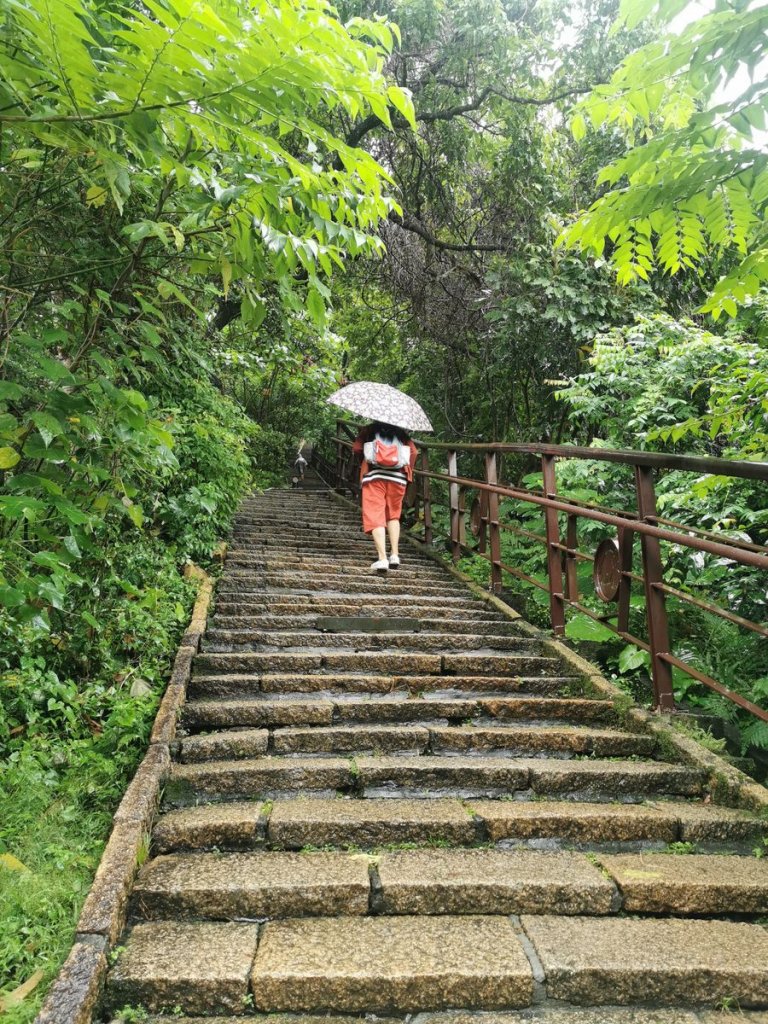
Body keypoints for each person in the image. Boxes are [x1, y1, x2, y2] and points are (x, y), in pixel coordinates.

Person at [352, 421, 418, 572]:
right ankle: (394, 555)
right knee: (393, 516)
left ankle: (382, 558)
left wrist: (365, 459)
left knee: (376, 515)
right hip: (397, 478)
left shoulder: (369, 429)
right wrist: (407, 470)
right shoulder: (401, 432)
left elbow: (356, 448)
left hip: (374, 476)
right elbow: (413, 452)